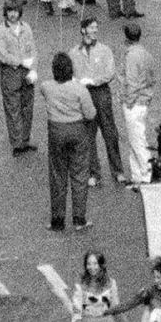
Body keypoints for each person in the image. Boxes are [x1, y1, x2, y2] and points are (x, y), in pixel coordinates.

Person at [42, 48, 96, 232]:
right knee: (79, 174)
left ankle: (57, 220)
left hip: (56, 131)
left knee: (57, 175)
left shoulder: (47, 87)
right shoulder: (80, 90)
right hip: (77, 130)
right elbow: (90, 114)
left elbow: (44, 87)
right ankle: (79, 218)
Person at [72, 15, 127, 186]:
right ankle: (94, 173)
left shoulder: (105, 50)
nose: (95, 30)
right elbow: (70, 73)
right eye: (91, 27)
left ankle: (118, 170)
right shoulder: (73, 53)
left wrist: (94, 81)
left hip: (101, 93)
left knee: (109, 133)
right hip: (84, 95)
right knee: (88, 135)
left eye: (96, 27)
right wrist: (75, 81)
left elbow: (110, 73)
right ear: (83, 30)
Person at [0, 0, 39, 155]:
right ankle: (17, 143)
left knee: (27, 107)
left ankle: (25, 140)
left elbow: (33, 49)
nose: (12, 15)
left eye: (15, 11)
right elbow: (3, 54)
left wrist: (33, 68)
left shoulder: (26, 27)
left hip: (26, 71)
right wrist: (22, 62)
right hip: (11, 72)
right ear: (5, 13)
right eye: (9, 11)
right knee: (13, 108)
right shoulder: (1, 30)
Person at [122, 18, 156, 186]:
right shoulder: (146, 53)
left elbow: (132, 82)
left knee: (137, 140)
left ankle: (146, 174)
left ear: (126, 38)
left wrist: (128, 101)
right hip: (144, 100)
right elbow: (151, 78)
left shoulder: (131, 56)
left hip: (134, 103)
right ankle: (137, 176)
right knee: (135, 138)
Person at [72, 250, 119, 319]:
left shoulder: (111, 284)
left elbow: (115, 307)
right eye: (89, 264)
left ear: (101, 265)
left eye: (95, 264)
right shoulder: (80, 285)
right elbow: (77, 310)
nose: (92, 267)